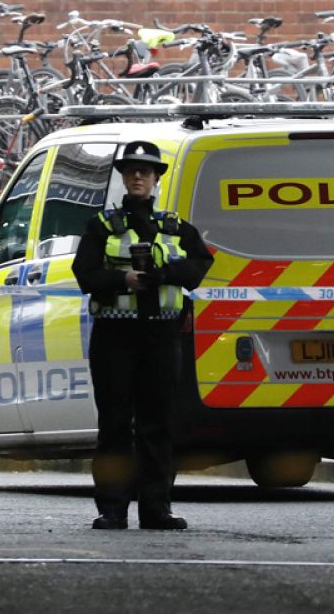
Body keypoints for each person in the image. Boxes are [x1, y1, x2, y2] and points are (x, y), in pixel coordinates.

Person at [73, 140, 213, 530]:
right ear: (122, 176)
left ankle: (156, 508)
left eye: (145, 171)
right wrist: (123, 279)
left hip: (162, 337)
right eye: (131, 170)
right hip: (115, 337)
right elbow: (84, 274)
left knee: (159, 423)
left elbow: (202, 264)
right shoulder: (101, 226)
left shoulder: (175, 227)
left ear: (155, 179)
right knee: (115, 424)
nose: (138, 176)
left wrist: (165, 273)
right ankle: (112, 509)